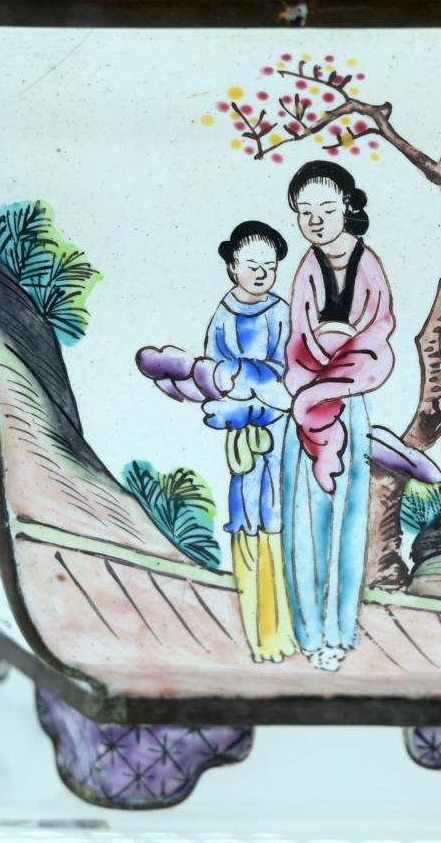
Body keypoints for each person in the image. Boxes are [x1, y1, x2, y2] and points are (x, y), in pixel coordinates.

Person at [134, 220, 297, 664]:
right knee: (245, 516)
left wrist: (250, 383)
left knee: (277, 515)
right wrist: (232, 392)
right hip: (240, 432)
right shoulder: (224, 315)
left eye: (270, 266)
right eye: (252, 264)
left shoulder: (281, 313)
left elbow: (287, 374)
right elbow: (213, 374)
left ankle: (282, 631)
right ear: (232, 266)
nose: (261, 273)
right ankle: (257, 635)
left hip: (276, 428)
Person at [280, 161, 396, 672]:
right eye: (304, 212)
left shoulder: (370, 265)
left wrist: (337, 376)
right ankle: (308, 633)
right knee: (305, 522)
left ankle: (339, 632)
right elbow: (298, 341)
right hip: (307, 407)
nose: (315, 220)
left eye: (325, 209)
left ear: (347, 207)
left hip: (350, 401)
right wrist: (313, 389)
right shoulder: (306, 267)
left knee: (348, 522)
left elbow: (377, 335)